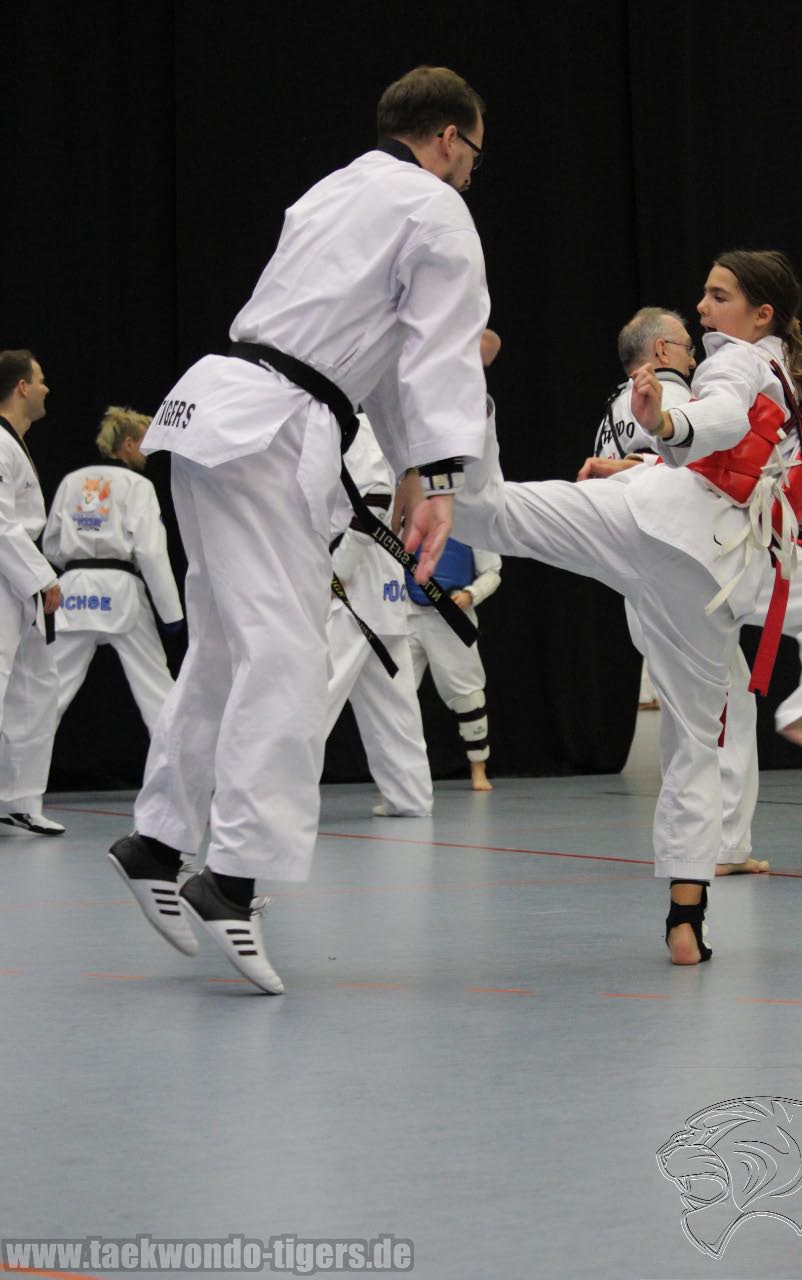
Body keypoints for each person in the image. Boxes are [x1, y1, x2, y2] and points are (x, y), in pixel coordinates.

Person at [108, 65, 491, 993]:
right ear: (447, 137)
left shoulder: (335, 188)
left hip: (216, 410)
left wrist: (415, 467)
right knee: (284, 652)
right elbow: (438, 350)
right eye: (474, 151)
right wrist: (440, 477)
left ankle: (157, 840)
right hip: (273, 429)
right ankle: (233, 877)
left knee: (226, 648)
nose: (473, 170)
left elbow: (384, 354)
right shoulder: (434, 208)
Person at [454, 250, 802, 965]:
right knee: (696, 742)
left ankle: (463, 399)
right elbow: (747, 459)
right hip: (710, 573)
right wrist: (667, 441)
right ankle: (685, 916)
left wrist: (665, 423)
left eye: (717, 295)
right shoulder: (796, 394)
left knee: (489, 516)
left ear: (761, 314)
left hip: (652, 521)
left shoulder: (738, 360)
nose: (702, 308)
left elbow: (717, 418)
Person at [581, 304, 802, 872]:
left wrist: (786, 499)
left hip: (653, 571)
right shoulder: (670, 395)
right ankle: (714, 847)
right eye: (686, 345)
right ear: (661, 351)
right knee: (713, 711)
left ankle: (722, 845)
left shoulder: (615, 407)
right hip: (691, 562)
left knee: (719, 706)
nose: (694, 355)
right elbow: (682, 470)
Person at [43, 406, 184, 733]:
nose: (148, 453)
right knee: (157, 692)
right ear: (129, 444)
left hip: (74, 590)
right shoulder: (138, 485)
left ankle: (13, 765)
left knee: (48, 693)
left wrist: (77, 561)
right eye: (145, 444)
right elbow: (151, 551)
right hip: (122, 592)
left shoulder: (71, 482)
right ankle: (182, 766)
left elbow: (51, 544)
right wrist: (171, 613)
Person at [405, 328, 502, 791]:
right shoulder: (408, 496)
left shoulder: (470, 508)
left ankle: (478, 768)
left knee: (466, 692)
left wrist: (469, 594)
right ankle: (402, 777)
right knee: (395, 694)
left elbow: (493, 570)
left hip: (450, 612)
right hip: (407, 610)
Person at [325, 414, 433, 818]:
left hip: (352, 590)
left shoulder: (357, 427)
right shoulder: (391, 432)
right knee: (394, 707)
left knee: (312, 693)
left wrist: (339, 568)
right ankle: (411, 797)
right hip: (383, 590)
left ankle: (272, 796)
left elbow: (375, 498)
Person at [0, 350, 64, 837]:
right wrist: (42, 576)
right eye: (39, 380)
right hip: (10, 572)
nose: (45, 388)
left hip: (17, 578)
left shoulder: (13, 442)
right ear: (22, 386)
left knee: (35, 689)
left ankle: (18, 799)